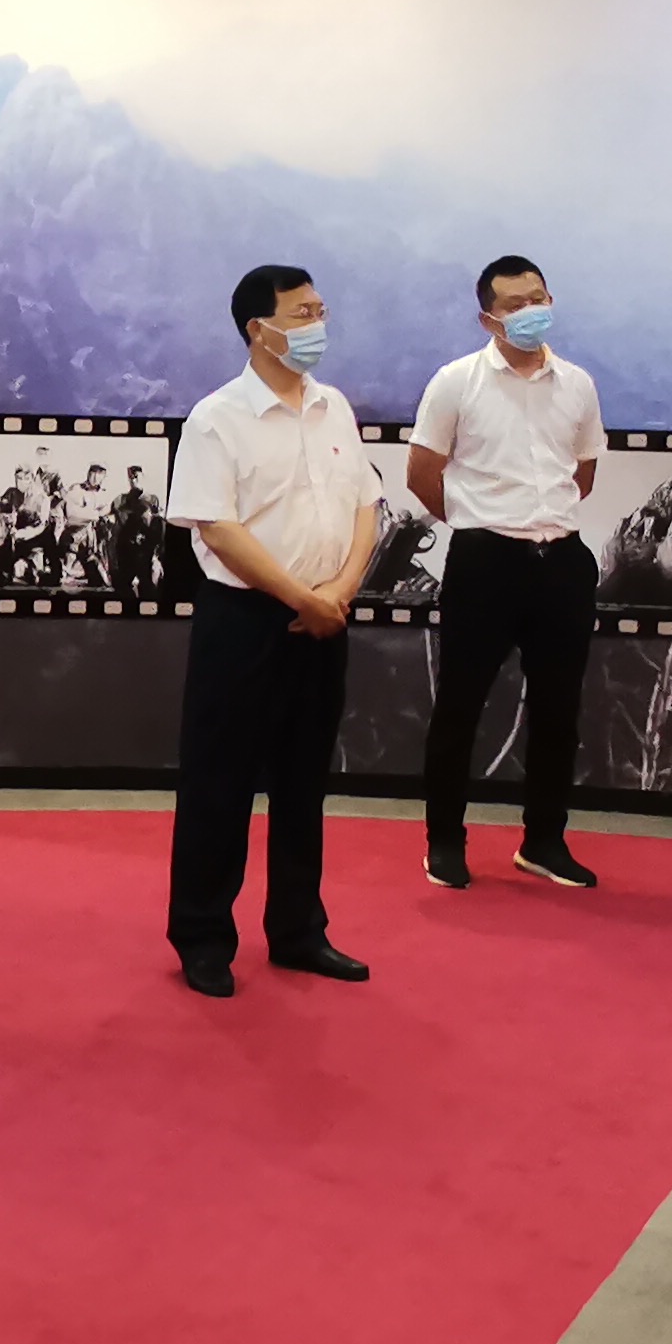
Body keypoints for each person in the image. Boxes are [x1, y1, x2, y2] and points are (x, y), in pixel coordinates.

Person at [166, 264, 383, 995]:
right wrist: (299, 596)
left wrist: (340, 591)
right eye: (301, 314)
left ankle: (298, 931)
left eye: (321, 311)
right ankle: (203, 937)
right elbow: (219, 529)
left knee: (303, 785)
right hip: (245, 621)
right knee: (218, 786)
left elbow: (365, 505)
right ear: (259, 330)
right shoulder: (217, 418)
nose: (317, 326)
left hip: (326, 618)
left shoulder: (333, 406)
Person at [408, 253, 611, 892]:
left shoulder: (577, 384)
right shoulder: (456, 382)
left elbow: (583, 471)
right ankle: (445, 842)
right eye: (516, 305)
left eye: (539, 299)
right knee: (460, 706)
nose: (531, 312)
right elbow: (422, 474)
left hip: (562, 561)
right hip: (485, 561)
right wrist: (478, 523)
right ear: (488, 318)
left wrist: (540, 519)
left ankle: (544, 842)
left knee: (559, 711)